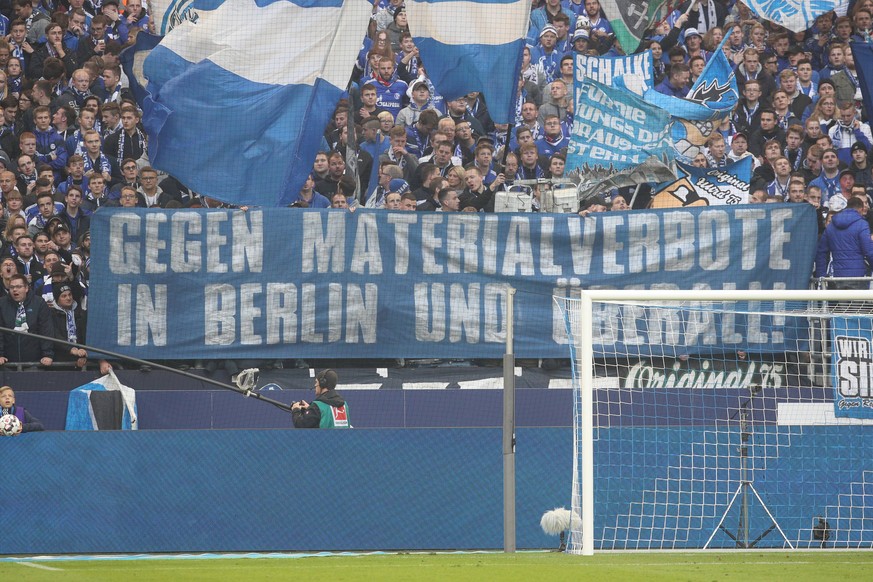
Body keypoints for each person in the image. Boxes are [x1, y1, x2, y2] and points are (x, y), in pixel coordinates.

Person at [815, 196, 873, 288]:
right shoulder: (862, 224)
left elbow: (821, 252)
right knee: (856, 302)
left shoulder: (831, 225)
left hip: (836, 277)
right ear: (861, 209)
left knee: (840, 302)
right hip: (857, 277)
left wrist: (821, 276)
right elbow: (869, 252)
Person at [0, 273, 54, 366]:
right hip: (7, 363)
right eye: (12, 287)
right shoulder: (2, 304)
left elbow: (46, 329)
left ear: (26, 288)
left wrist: (47, 354)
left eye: (18, 286)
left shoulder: (39, 303)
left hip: (35, 363)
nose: (15, 290)